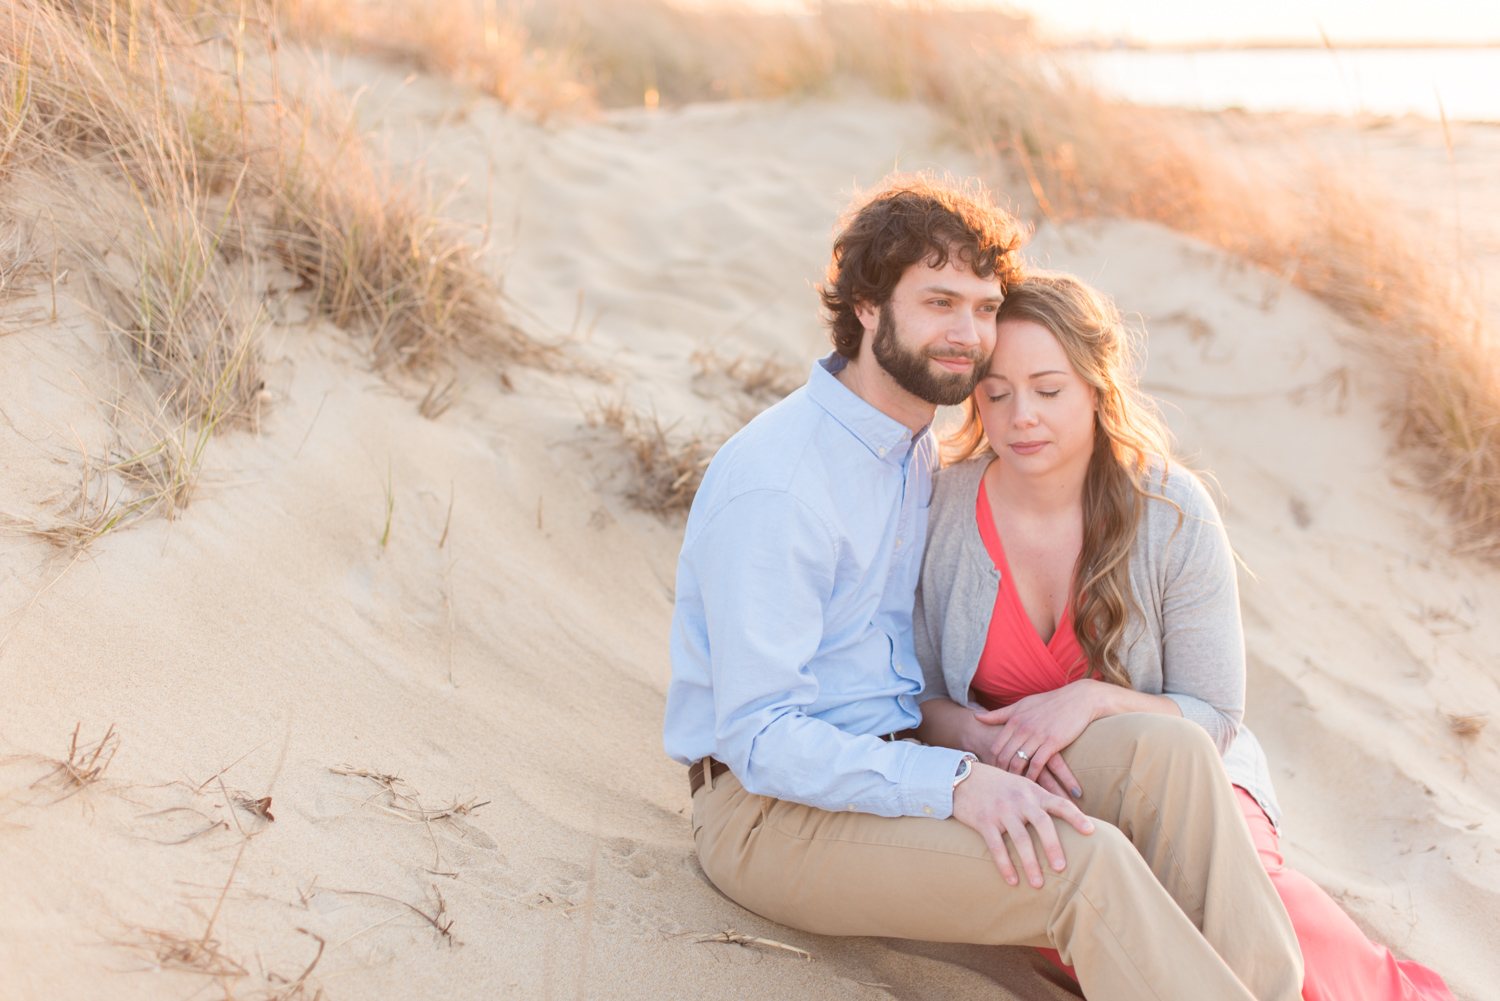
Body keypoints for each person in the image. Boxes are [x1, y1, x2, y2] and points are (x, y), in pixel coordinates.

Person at [663, 177, 1305, 1001]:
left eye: (983, 305)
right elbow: (761, 738)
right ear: (866, 306)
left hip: (902, 755)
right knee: (1083, 866)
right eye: (939, 302)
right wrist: (959, 780)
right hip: (770, 815)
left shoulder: (913, 453)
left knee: (1169, 755)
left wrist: (967, 747)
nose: (969, 334)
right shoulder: (784, 484)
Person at [913, 270, 1455, 1001]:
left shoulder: (1170, 510)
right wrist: (981, 740)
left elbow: (1215, 715)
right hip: (1027, 795)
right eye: (997, 392)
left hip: (1192, 776)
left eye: (1048, 389)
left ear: (1096, 389)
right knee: (1120, 920)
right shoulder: (943, 507)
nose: (1020, 417)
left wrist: (1091, 700)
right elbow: (911, 696)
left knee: (1247, 905)